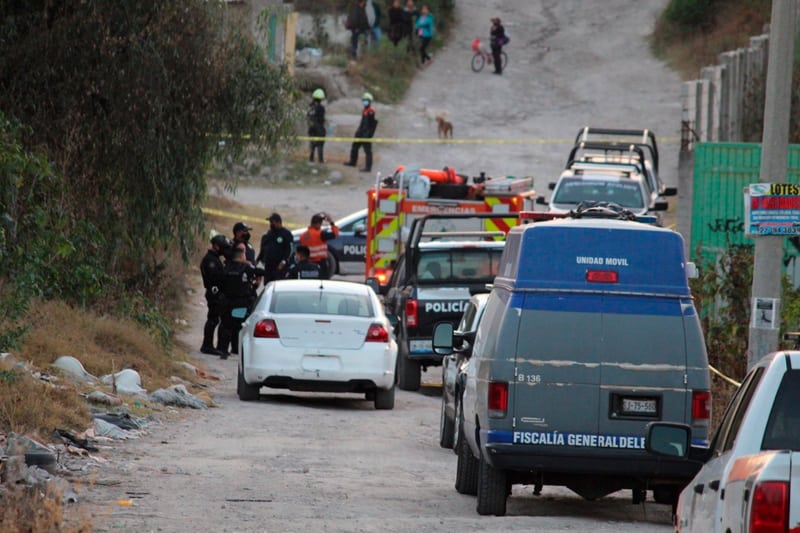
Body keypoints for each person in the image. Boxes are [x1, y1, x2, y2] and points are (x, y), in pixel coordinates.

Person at [217, 247, 266, 359]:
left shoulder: (226, 267)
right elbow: (261, 272)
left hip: (226, 301)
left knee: (226, 326)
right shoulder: (246, 268)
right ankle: (239, 351)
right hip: (240, 303)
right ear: (241, 256)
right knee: (240, 326)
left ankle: (223, 351)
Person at [199, 234, 229, 356]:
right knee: (213, 319)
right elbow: (215, 278)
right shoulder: (210, 260)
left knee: (214, 319)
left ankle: (209, 345)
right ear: (216, 246)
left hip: (216, 292)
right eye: (222, 247)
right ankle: (207, 345)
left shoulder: (215, 259)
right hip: (213, 292)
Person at [343, 92, 378, 172]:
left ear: (369, 101)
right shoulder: (364, 110)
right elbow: (362, 123)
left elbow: (371, 124)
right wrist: (358, 131)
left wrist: (368, 134)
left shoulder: (371, 111)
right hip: (360, 132)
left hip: (366, 134)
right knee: (354, 147)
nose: (364, 101)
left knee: (368, 151)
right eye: (364, 100)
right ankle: (352, 162)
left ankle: (368, 167)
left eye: (366, 100)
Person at [299, 212, 340, 280]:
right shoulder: (320, 234)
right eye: (320, 224)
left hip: (307, 263)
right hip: (320, 263)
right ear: (317, 224)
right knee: (323, 283)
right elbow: (336, 234)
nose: (320, 226)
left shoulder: (303, 235)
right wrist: (331, 222)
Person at [256, 212, 293, 283]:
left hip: (280, 267)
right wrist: (257, 261)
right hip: (269, 267)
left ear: (278, 222)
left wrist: (284, 261)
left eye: (272, 222)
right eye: (270, 222)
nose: (270, 224)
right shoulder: (268, 234)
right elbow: (263, 250)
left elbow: (289, 250)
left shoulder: (286, 234)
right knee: (268, 284)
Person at [307, 88, 326, 163]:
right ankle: (320, 160)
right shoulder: (321, 108)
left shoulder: (310, 107)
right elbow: (321, 119)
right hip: (319, 128)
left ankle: (311, 159)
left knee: (312, 143)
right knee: (320, 144)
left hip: (311, 127)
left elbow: (308, 116)